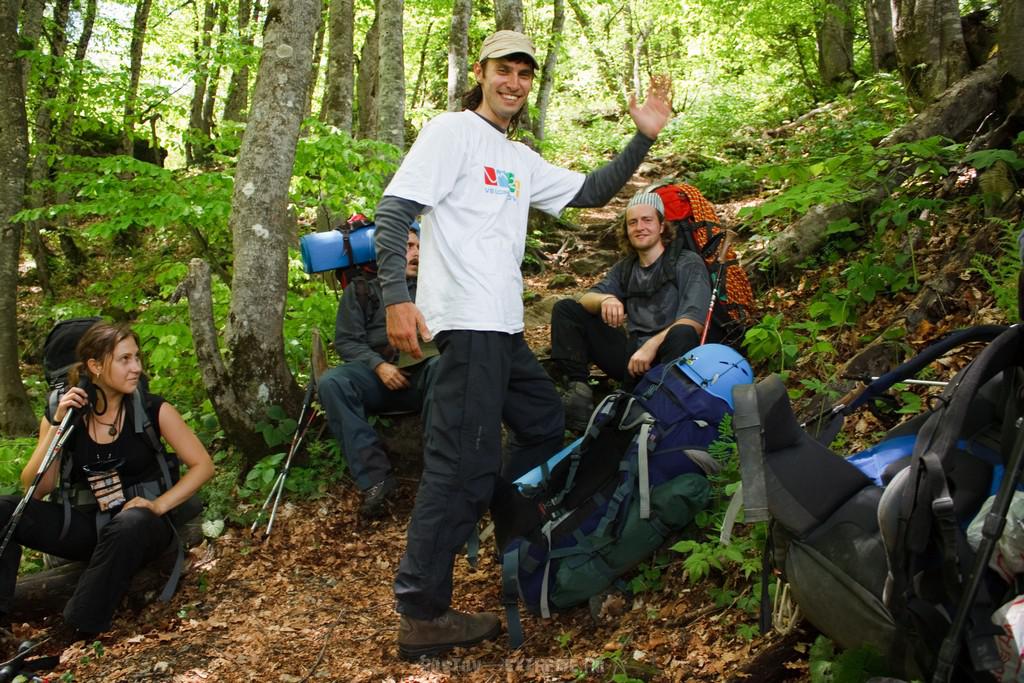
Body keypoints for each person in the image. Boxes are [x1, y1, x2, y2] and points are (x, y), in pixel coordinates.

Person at [371, 28, 673, 659]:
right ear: (481, 73)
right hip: (465, 324)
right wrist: (398, 297)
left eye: (524, 73)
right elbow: (395, 212)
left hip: (504, 329)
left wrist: (642, 136)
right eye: (503, 70)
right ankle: (421, 612)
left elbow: (591, 192)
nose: (513, 82)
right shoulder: (451, 132)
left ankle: (509, 524)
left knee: (542, 422)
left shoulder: (518, 157)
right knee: (459, 466)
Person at [0, 321, 214, 644]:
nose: (136, 367)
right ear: (95, 366)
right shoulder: (65, 413)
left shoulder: (153, 409)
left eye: (137, 358)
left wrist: (158, 505)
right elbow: (38, 487)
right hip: (87, 525)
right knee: (3, 509)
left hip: (142, 527)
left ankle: (75, 629)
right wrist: (58, 425)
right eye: (125, 359)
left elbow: (203, 466)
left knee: (130, 522)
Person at [551, 190, 711, 430]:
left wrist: (651, 345)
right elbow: (587, 299)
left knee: (682, 333)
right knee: (566, 309)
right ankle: (579, 395)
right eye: (632, 222)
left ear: (661, 226)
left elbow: (694, 320)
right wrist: (606, 299)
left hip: (672, 358)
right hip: (632, 359)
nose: (640, 227)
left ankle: (663, 405)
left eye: (647, 220)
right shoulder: (625, 268)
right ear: (626, 230)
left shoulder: (686, 262)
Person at [317, 227, 438, 518]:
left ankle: (440, 473)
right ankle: (376, 481)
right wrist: (378, 365)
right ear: (387, 253)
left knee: (443, 367)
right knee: (332, 382)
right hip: (377, 381)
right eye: (408, 247)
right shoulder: (362, 290)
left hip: (425, 377)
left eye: (419, 247)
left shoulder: (435, 289)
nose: (417, 253)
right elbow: (347, 341)